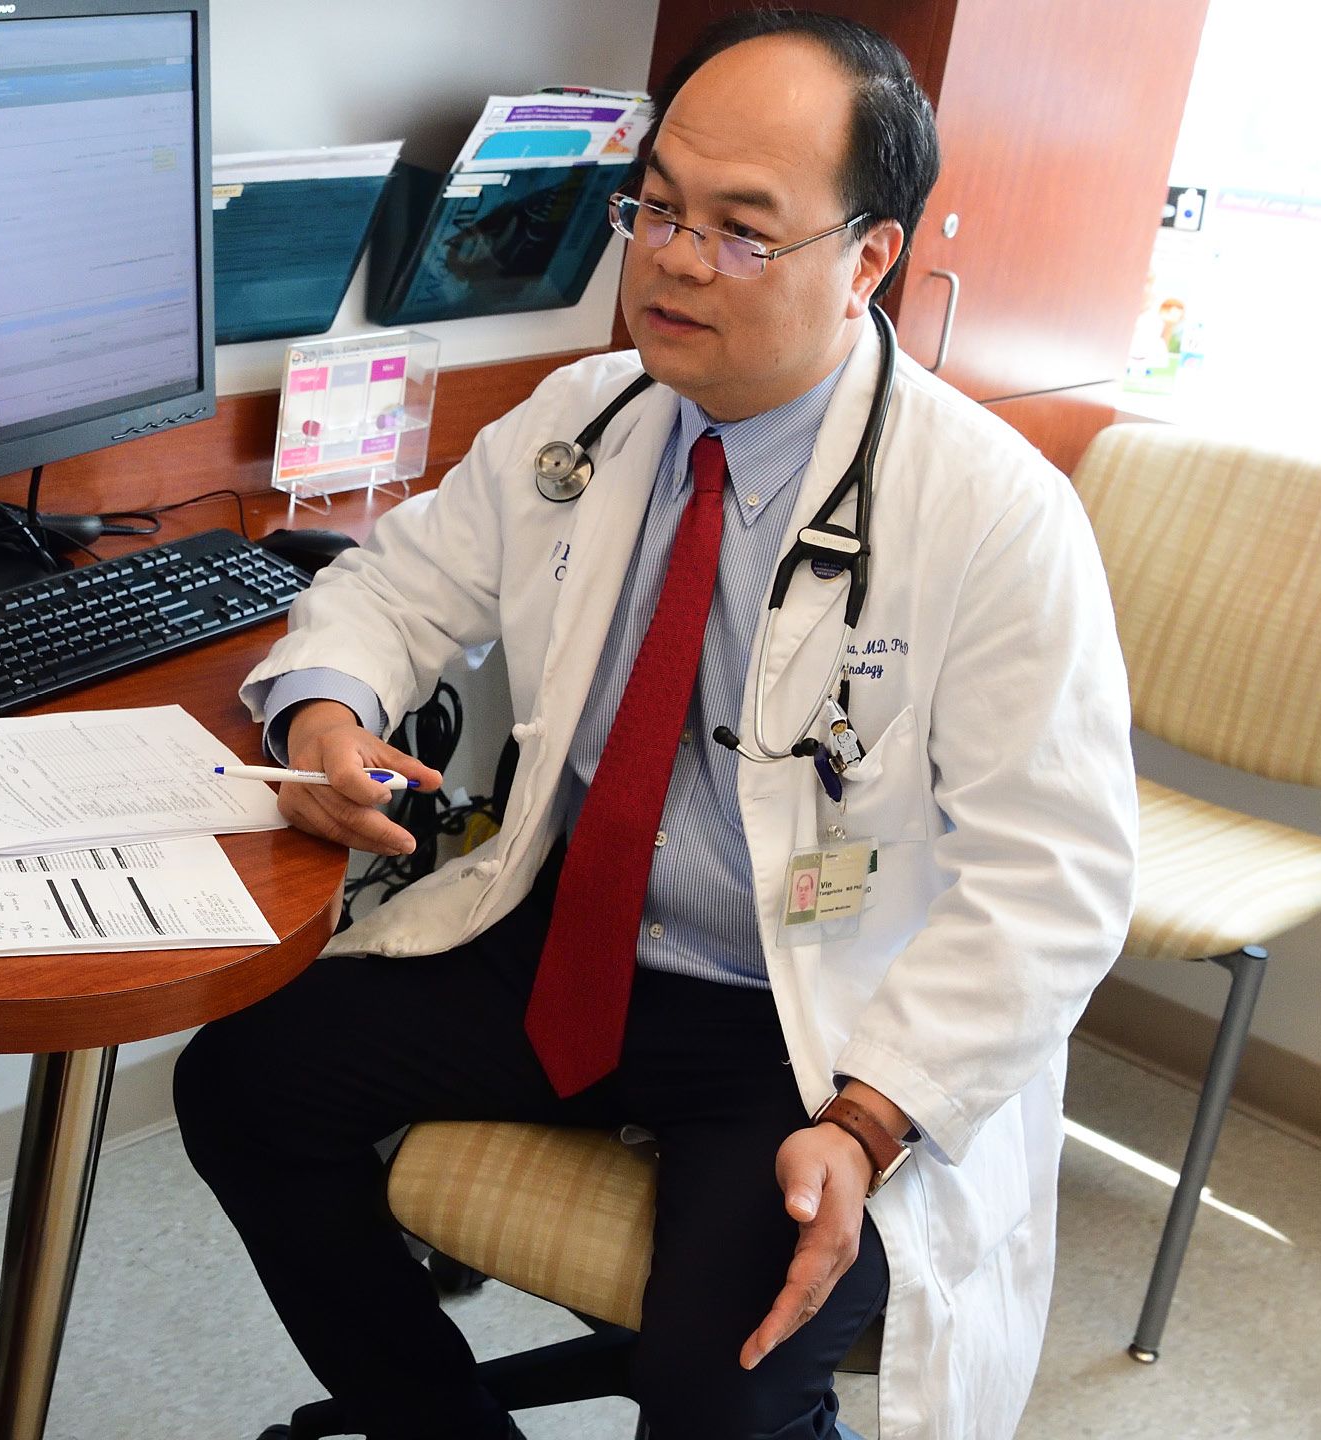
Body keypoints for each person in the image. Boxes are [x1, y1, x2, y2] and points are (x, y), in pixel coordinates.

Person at [174, 13, 1136, 1440]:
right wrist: (328, 716)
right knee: (244, 1083)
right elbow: (392, 586)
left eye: (744, 231)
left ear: (869, 255)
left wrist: (869, 1122)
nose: (676, 260)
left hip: (806, 1024)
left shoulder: (992, 518)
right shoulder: (592, 415)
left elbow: (1056, 881)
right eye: (661, 209)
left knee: (718, 1382)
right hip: (570, 950)